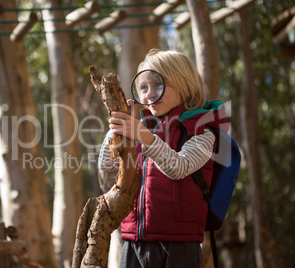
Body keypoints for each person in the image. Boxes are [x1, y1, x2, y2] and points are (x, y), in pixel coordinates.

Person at [98, 48, 229, 267]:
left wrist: (142, 135)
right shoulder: (141, 129)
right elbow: (106, 163)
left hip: (179, 244)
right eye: (143, 87)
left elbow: (178, 167)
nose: (149, 93)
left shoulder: (200, 131)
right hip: (133, 240)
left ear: (184, 84)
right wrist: (116, 131)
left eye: (158, 85)